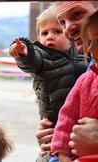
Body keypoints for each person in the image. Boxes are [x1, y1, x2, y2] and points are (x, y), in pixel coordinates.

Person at [9, 6, 87, 161]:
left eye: (57, 31)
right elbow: (31, 61)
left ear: (68, 33)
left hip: (79, 120)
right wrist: (23, 51)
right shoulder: (42, 58)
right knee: (51, 152)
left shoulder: (81, 54)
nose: (49, 37)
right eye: (44, 33)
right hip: (54, 123)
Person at [36, 1, 98, 158]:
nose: (67, 29)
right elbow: (67, 118)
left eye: (77, 14)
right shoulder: (87, 75)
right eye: (62, 22)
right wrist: (56, 138)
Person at [51, 11, 98, 161]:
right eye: (89, 42)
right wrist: (63, 157)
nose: (90, 49)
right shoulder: (84, 81)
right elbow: (65, 121)